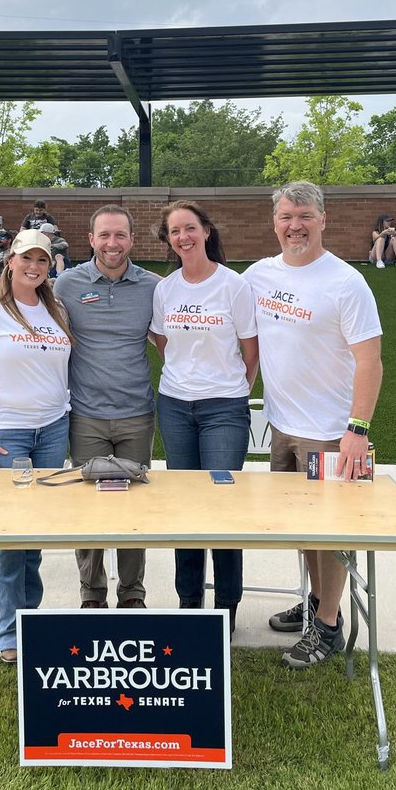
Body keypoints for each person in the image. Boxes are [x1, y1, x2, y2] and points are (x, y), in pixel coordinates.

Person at [243, 180, 383, 669]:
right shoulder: (259, 275)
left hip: (331, 430)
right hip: (282, 424)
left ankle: (327, 625)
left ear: (323, 219)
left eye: (304, 216)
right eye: (285, 216)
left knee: (331, 533)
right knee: (303, 527)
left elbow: (371, 361)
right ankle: (318, 604)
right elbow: (248, 341)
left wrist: (357, 430)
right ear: (274, 222)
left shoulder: (345, 282)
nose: (294, 225)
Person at [0, 229, 72, 664]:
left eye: (42, 260)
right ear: (10, 260)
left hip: (52, 429)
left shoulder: (54, 308)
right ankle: (8, 631)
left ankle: (30, 620)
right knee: (7, 535)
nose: (34, 267)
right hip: (5, 435)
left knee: (34, 535)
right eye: (26, 259)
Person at [151, 200, 259, 634]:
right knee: (185, 509)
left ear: (207, 231)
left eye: (190, 228)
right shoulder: (166, 288)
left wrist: (230, 389)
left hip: (224, 409)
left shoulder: (234, 286)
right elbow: (163, 342)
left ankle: (226, 607)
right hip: (175, 406)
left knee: (222, 509)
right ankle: (189, 601)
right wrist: (185, 377)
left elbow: (251, 352)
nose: (183, 237)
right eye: (175, 231)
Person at [55, 205, 159, 610]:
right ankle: (92, 594)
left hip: (137, 414)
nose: (112, 244)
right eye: (104, 236)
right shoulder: (67, 284)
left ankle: (132, 593)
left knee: (134, 509)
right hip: (86, 415)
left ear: (132, 240)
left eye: (120, 235)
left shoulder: (153, 286)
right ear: (91, 239)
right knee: (89, 510)